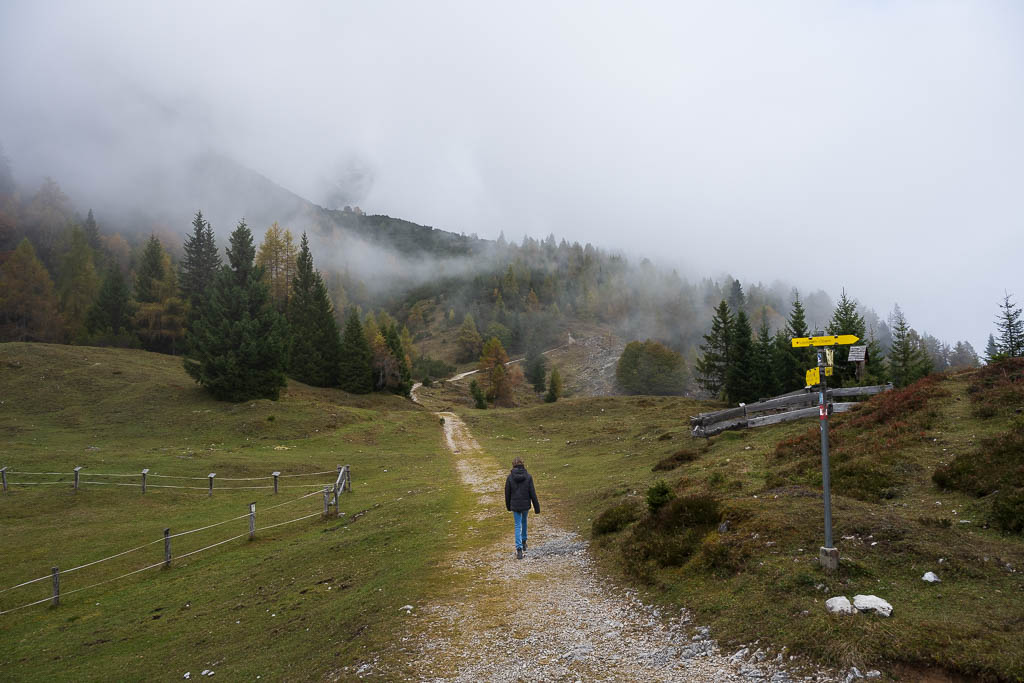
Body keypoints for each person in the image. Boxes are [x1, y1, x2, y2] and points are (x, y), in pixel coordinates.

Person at [504, 456, 540, 559]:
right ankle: (524, 542)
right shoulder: (528, 477)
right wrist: (537, 507)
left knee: (517, 525)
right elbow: (532, 493)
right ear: (523, 464)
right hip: (525, 505)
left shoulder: (510, 477)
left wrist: (508, 506)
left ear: (513, 465)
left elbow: (507, 493)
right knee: (524, 522)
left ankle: (519, 549)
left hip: (515, 505)